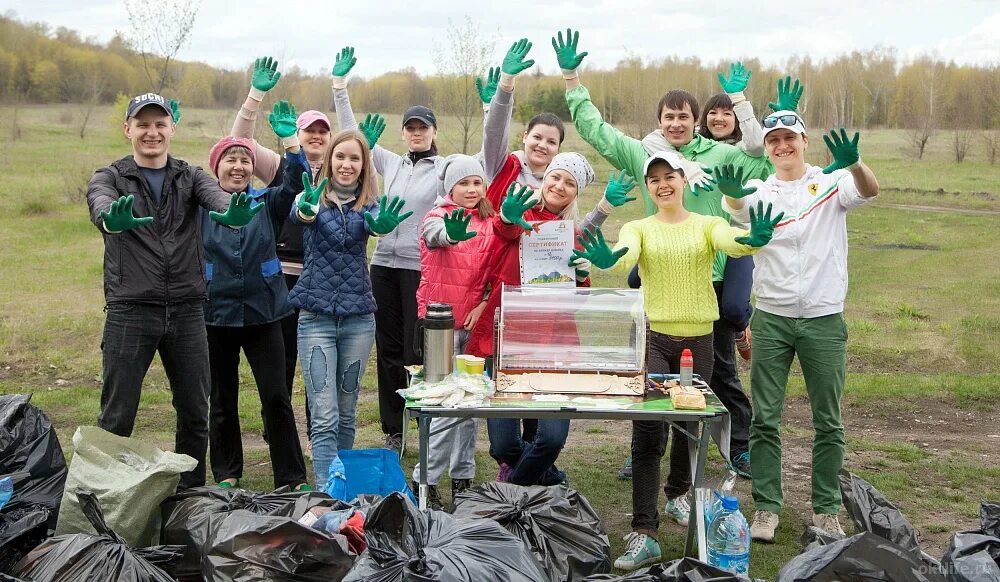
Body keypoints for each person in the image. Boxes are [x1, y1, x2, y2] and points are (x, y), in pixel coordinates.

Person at [555, 28, 770, 481]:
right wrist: (573, 79)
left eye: (684, 117)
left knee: (717, 375)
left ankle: (734, 448)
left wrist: (746, 108)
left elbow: (762, 158)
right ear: (660, 121)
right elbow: (597, 131)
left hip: (710, 277)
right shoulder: (644, 157)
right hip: (660, 282)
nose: (677, 123)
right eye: (669, 116)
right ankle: (644, 450)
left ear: (697, 121)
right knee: (652, 378)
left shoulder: (717, 155)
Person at [570, 151, 781, 570]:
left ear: (683, 180)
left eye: (670, 176)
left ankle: (678, 495)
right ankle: (644, 532)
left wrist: (752, 239)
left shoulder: (707, 225)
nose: (663, 184)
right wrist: (611, 259)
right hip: (653, 337)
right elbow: (626, 252)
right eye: (654, 180)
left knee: (690, 427)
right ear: (648, 188)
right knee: (647, 433)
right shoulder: (640, 227)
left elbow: (731, 242)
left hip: (699, 339)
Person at [717, 113, 879, 542]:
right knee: (765, 419)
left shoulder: (829, 182)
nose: (781, 146)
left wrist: (856, 164)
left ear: (804, 140)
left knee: (829, 420)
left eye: (789, 138)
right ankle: (767, 508)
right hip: (771, 316)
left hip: (824, 317)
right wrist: (732, 199)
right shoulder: (758, 189)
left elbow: (869, 191)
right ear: (766, 147)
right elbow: (735, 209)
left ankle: (825, 510)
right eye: (773, 140)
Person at [86, 93, 261, 489]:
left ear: (171, 129)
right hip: (131, 310)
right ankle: (105, 499)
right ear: (127, 129)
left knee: (196, 412)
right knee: (117, 415)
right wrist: (111, 221)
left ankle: (190, 496)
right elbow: (100, 203)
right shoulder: (111, 177)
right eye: (143, 124)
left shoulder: (191, 175)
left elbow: (215, 196)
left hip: (186, 311)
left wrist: (228, 211)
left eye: (159, 124)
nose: (152, 132)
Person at [485, 152, 625, 486]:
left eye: (569, 183)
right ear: (544, 178)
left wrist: (582, 275)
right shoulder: (522, 214)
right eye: (555, 177)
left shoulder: (572, 232)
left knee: (550, 439)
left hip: (556, 346)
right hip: (509, 341)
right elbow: (502, 231)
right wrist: (507, 215)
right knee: (503, 442)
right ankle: (549, 478)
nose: (559, 186)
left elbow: (576, 300)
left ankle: (510, 491)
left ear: (576, 193)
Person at [330, 47, 443, 452]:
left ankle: (425, 421)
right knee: (388, 348)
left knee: (417, 348)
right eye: (410, 127)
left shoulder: (443, 168)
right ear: (403, 132)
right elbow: (353, 137)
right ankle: (394, 428)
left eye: (423, 127)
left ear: (433, 131)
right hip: (382, 266)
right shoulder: (391, 163)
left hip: (418, 268)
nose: (416, 133)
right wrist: (340, 87)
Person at [288, 126, 413, 490]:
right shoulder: (311, 197)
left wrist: (380, 226)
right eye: (340, 156)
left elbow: (375, 225)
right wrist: (306, 208)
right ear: (329, 160)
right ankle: (327, 491)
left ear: (364, 166)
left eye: (354, 158)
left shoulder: (370, 207)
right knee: (323, 414)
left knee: (345, 413)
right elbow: (301, 214)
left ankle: (340, 486)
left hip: (359, 319)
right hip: (316, 319)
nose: (346, 164)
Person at [201, 100, 310, 491]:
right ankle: (227, 472)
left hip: (266, 313)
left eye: (244, 161)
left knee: (276, 396)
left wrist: (291, 144)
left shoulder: (267, 202)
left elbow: (297, 184)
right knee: (222, 400)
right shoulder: (202, 208)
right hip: (216, 315)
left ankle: (292, 476)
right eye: (229, 160)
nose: (238, 167)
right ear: (217, 169)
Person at [228, 56, 330, 440]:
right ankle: (279, 432)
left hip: (322, 279)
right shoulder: (278, 167)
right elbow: (240, 140)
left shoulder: (342, 170)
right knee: (283, 358)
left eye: (323, 131)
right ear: (297, 135)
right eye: (309, 131)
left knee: (318, 361)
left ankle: (317, 430)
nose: (316, 137)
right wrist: (254, 97)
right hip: (283, 278)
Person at [411, 154, 496, 509]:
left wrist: (485, 303)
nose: (471, 189)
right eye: (463, 183)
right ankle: (425, 480)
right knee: (444, 406)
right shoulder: (436, 217)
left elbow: (493, 273)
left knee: (470, 407)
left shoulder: (491, 223)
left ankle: (463, 477)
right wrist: (450, 233)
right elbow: (435, 238)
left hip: (473, 329)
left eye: (476, 182)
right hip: (440, 328)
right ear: (449, 187)